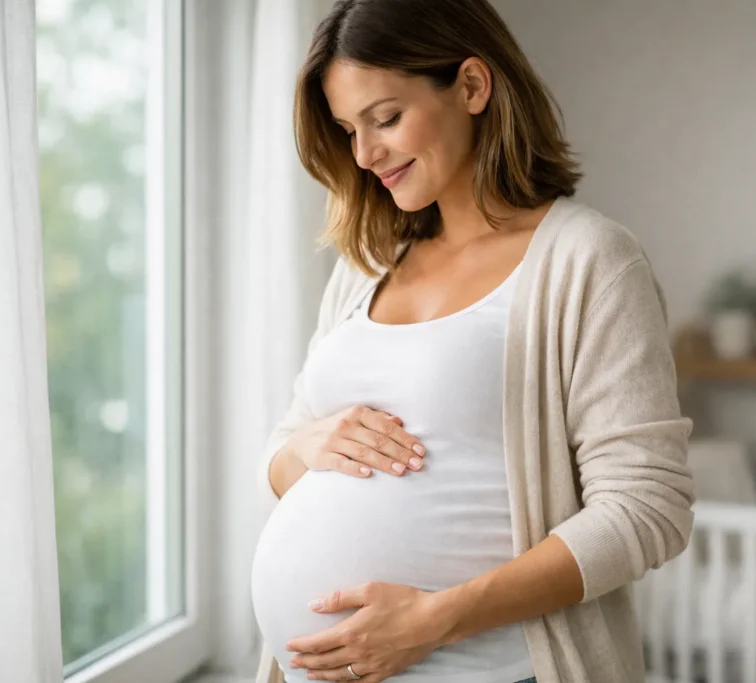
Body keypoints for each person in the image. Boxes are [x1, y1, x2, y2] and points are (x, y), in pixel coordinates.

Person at [250, 1, 695, 682]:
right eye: (348, 130)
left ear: (472, 86)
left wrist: (436, 618)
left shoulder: (588, 259)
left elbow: (647, 508)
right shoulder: (365, 264)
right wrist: (305, 447)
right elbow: (282, 456)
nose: (365, 154)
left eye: (386, 118)